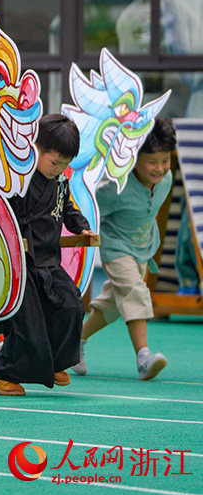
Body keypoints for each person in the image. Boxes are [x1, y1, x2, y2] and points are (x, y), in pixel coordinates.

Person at [0, 114, 93, 396]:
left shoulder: (59, 180)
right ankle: (3, 374)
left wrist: (81, 228)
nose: (58, 169)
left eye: (65, 165)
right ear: (36, 149)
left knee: (72, 307)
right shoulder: (18, 176)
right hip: (22, 261)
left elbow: (68, 209)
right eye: (54, 162)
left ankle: (56, 362)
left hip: (49, 260)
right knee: (28, 324)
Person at [73, 118, 176, 380]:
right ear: (133, 159)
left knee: (113, 305)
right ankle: (143, 357)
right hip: (115, 247)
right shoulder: (115, 190)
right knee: (134, 290)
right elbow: (90, 211)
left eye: (165, 160)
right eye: (152, 161)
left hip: (142, 249)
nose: (160, 168)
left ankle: (74, 344)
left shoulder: (167, 180)